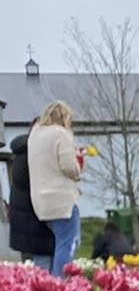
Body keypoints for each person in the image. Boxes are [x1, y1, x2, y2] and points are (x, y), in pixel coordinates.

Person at [27, 101, 84, 276]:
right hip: (61, 201)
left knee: (55, 245)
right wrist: (78, 166)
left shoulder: (35, 135)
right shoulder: (61, 133)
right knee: (66, 244)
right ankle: (61, 284)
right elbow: (68, 166)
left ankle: (46, 283)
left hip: (40, 202)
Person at [3, 133, 56, 268]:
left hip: (23, 218)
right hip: (34, 217)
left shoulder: (20, 155)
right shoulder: (32, 157)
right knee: (40, 263)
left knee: (30, 259)